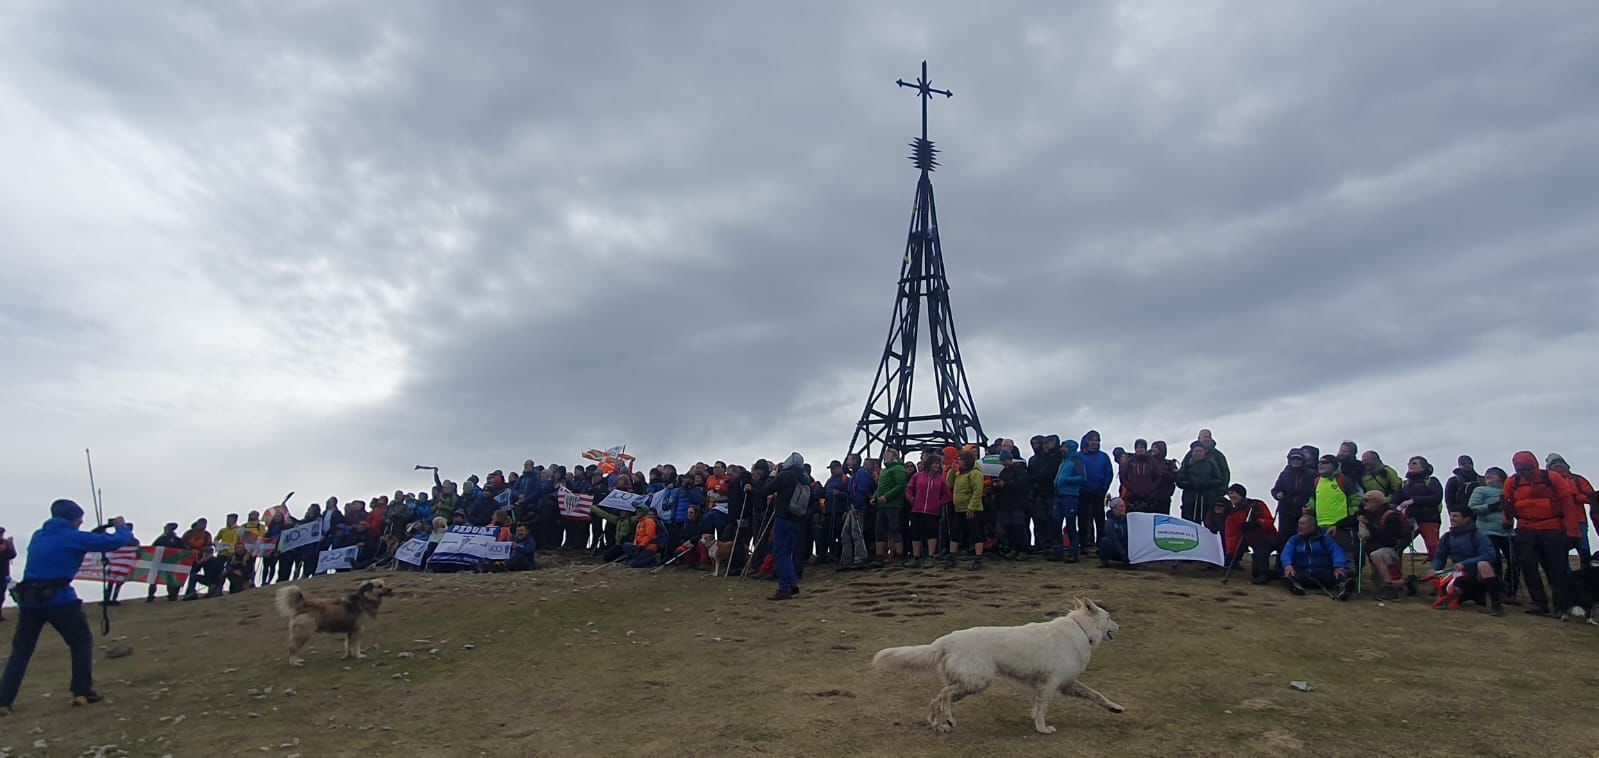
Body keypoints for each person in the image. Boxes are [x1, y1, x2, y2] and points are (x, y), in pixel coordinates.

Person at [0, 500, 138, 715]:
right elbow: (116, 542)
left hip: (29, 600)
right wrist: (121, 526)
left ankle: (4, 701)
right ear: (72, 518)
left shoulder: (39, 535)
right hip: (59, 599)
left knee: (21, 651)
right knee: (81, 641)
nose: (81, 521)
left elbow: (67, 545)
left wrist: (94, 533)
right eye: (79, 518)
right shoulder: (74, 537)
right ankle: (82, 691)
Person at [1503, 451, 1582, 617]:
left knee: (1556, 568)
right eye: (1521, 469)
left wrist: (1573, 531)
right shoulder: (1512, 482)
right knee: (1528, 566)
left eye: (1527, 469)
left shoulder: (1552, 478)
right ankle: (1540, 604)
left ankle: (1561, 606)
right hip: (1526, 528)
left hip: (1553, 527)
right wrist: (1507, 519)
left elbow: (1568, 503)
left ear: (1535, 465)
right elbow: (1507, 502)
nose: (1525, 473)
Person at [1422, 507, 1505, 616]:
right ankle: (1462, 596)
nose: (1452, 519)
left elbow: (1489, 555)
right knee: (1447, 593)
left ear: (1467, 519)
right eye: (1451, 516)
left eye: (1455, 516)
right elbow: (1439, 557)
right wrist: (1434, 569)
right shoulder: (1447, 537)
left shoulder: (1478, 535)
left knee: (1483, 564)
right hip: (1461, 577)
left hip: (1478, 577)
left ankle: (1496, 605)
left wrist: (1465, 564)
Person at [755, 453, 812, 600]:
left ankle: (784, 588)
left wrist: (772, 476)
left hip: (783, 518)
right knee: (787, 552)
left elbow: (765, 490)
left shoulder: (785, 476)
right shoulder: (805, 478)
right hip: (797, 519)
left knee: (781, 552)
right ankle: (792, 581)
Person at [1467, 467, 1515, 604]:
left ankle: (1509, 591)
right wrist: (1492, 506)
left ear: (1501, 477)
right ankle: (1497, 591)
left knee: (1514, 562)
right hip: (1486, 531)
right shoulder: (1480, 490)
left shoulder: (1508, 491)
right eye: (1487, 474)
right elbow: (1472, 507)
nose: (1488, 477)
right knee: (1495, 561)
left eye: (1493, 475)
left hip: (1508, 532)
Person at [1280, 513, 1353, 600]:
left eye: (1303, 524)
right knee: (1290, 573)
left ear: (1312, 526)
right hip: (1304, 573)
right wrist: (1287, 564)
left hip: (1323, 572)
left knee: (1340, 573)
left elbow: (1336, 551)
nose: (1300, 526)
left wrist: (1338, 566)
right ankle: (1295, 586)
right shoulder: (1294, 540)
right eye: (1299, 523)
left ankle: (1344, 588)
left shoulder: (1324, 539)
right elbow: (1286, 552)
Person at [1358, 490, 1411, 600]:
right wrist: (1337, 525)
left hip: (1391, 550)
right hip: (1380, 550)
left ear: (1376, 502)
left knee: (1376, 555)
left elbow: (1388, 537)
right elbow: (1353, 519)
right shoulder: (1370, 513)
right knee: (1379, 584)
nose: (1364, 503)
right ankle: (1406, 582)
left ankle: (1390, 589)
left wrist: (1368, 525)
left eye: (1367, 500)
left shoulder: (1392, 515)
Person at [1219, 485, 1277, 584]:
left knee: (1262, 548)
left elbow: (1269, 521)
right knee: (1256, 572)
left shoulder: (1256, 505)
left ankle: (1264, 575)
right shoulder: (1233, 514)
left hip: (1268, 537)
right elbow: (1233, 536)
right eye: (1229, 494)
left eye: (1233, 493)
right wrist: (1231, 554)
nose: (1230, 496)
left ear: (1241, 494)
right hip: (1250, 540)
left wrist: (1257, 523)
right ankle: (1273, 574)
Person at [1545, 454, 1595, 563]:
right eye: (1554, 463)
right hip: (1557, 522)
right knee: (1561, 553)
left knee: (1584, 551)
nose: (1558, 465)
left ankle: (1588, 575)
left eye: (1560, 462)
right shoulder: (1546, 482)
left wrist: (1577, 497)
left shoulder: (1577, 479)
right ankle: (1567, 578)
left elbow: (1592, 498)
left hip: (1579, 521)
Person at [1310, 455, 1362, 557]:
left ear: (1334, 465)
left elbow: (1356, 498)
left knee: (1343, 554)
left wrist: (1351, 515)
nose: (1320, 464)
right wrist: (1309, 508)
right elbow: (1313, 499)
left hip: (1341, 526)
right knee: (1324, 555)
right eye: (1319, 462)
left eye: (1325, 462)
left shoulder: (1343, 480)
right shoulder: (1317, 481)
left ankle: (1348, 573)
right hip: (1321, 525)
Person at [906, 457, 952, 569]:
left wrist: (939, 503)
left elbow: (948, 495)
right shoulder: (918, 476)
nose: (937, 466)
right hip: (917, 509)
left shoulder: (940, 479)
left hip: (932, 511)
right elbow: (909, 489)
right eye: (935, 463)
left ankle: (930, 556)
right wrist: (912, 500)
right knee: (915, 534)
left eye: (938, 464)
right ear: (929, 464)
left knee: (931, 534)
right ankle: (915, 557)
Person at [1396, 456, 1444, 559]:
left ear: (1423, 467)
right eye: (1409, 463)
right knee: (1397, 546)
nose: (1410, 465)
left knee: (1433, 547)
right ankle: (1395, 574)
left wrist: (1413, 501)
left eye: (1414, 463)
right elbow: (1396, 499)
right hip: (1409, 520)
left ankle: (1437, 572)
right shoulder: (1404, 484)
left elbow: (1436, 498)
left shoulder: (1432, 481)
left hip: (1428, 518)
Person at [947, 452, 986, 571]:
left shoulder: (975, 474)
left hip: (972, 509)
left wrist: (971, 508)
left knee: (976, 534)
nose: (959, 462)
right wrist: (952, 471)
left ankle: (978, 559)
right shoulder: (959, 474)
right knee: (955, 533)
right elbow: (949, 484)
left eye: (961, 460)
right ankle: (952, 558)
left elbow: (977, 491)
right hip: (959, 509)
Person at [1078, 431, 1113, 553]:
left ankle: (1101, 544)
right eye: (1092, 440)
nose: (1095, 442)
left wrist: (1104, 488)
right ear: (1086, 441)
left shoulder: (1103, 456)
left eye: (1097, 440)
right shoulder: (1079, 456)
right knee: (1083, 518)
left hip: (1099, 491)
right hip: (1082, 492)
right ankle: (1085, 544)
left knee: (1099, 518)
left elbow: (1109, 473)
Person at [872, 449, 908, 568]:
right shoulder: (884, 471)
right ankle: (880, 556)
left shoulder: (898, 468)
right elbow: (881, 487)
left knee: (894, 529)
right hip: (882, 505)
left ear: (894, 456)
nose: (884, 456)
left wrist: (886, 497)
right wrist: (874, 497)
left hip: (893, 505)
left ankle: (899, 555)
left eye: (886, 454)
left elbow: (900, 485)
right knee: (879, 530)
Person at [1051, 439, 1086, 561]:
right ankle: (1057, 551)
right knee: (1055, 522)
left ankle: (1074, 552)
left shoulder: (1076, 461)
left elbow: (1082, 478)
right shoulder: (1063, 461)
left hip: (1070, 496)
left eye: (1064, 447)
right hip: (1059, 495)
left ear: (1070, 447)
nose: (1061, 449)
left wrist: (1067, 480)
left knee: (1071, 524)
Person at [1176, 442, 1227, 523]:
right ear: (1192, 452)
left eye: (1200, 451)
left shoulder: (1211, 463)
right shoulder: (1187, 464)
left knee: (1208, 522)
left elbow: (1219, 479)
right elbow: (1179, 480)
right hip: (1190, 500)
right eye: (1196, 451)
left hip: (1207, 499)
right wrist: (1191, 484)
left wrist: (1207, 483)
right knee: (1189, 522)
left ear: (1204, 452)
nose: (1198, 453)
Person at [993, 451, 1031, 559]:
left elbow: (1022, 483)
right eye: (1002, 461)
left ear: (1010, 459)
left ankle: (1023, 550)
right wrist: (995, 487)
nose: (1004, 463)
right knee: (1009, 527)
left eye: (1005, 460)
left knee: (1019, 527)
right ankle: (1014, 548)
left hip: (1017, 504)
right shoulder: (1003, 472)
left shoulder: (1019, 469)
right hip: (1005, 505)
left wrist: (1005, 484)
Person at [1271, 449, 1316, 535]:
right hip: (1286, 513)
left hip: (1304, 512)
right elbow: (1275, 489)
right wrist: (1277, 494)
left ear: (1303, 460)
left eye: (1298, 459)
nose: (1295, 461)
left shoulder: (1312, 475)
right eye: (1293, 459)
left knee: (1305, 536)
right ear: (1289, 460)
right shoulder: (1284, 474)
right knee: (1284, 538)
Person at [145, 522, 187, 603]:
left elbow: (185, 550)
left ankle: (172, 595)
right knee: (154, 579)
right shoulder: (162, 539)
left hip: (170, 562)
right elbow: (153, 548)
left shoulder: (176, 540)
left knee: (169, 579)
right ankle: (151, 596)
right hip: (160, 561)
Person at [1096, 498, 1132, 569]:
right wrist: (1123, 554)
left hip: (1126, 551)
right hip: (1116, 552)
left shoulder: (1128, 520)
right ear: (1114, 509)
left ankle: (1128, 561)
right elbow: (1114, 539)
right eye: (1120, 506)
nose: (1123, 508)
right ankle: (1104, 561)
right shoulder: (1109, 523)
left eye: (1124, 506)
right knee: (1105, 541)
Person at [0, 527, 14, 621]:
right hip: (4, 573)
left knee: (1, 595)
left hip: (4, 573)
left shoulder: (6, 543)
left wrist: (10, 545)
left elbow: (13, 555)